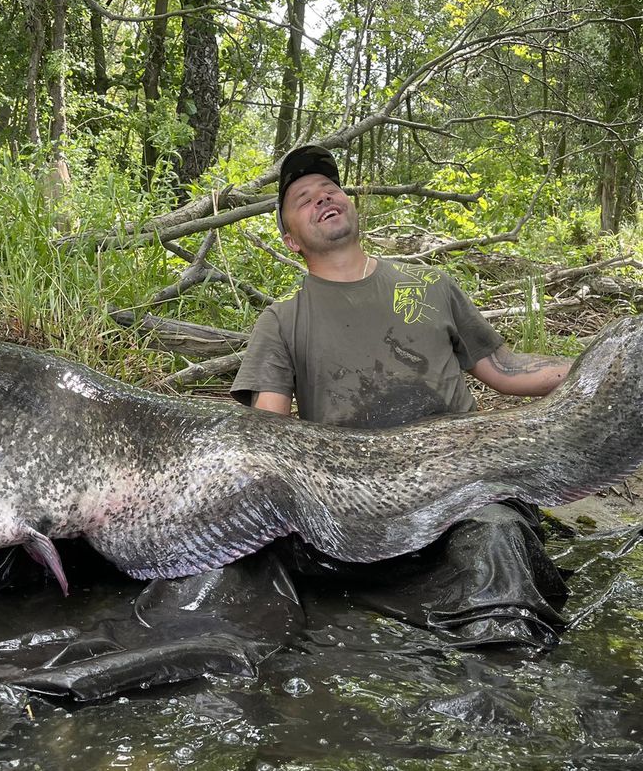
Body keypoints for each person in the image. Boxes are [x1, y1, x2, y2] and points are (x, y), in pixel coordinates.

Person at [230, 145, 574, 648]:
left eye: (330, 188)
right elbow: (268, 434)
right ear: (290, 240)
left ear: (350, 204)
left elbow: (506, 370)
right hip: (353, 502)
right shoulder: (281, 321)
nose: (323, 197)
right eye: (304, 198)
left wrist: (602, 367)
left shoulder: (433, 286)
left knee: (497, 537)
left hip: (464, 487)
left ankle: (502, 662)